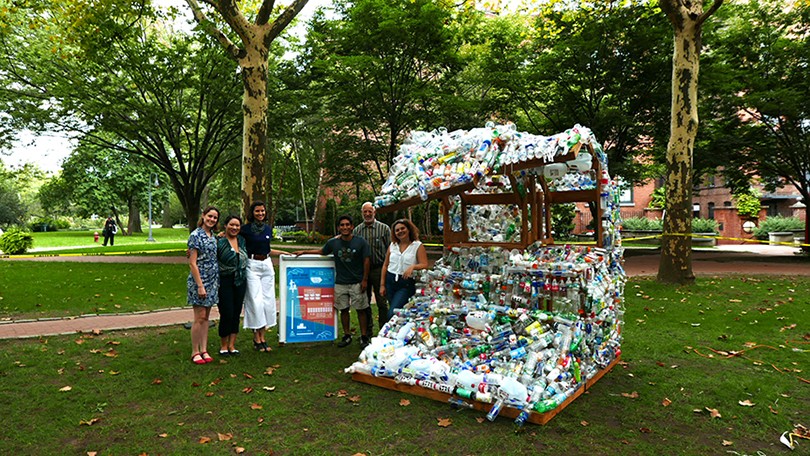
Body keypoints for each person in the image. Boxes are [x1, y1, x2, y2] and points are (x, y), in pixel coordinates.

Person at [294, 215, 371, 348]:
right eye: (342, 225)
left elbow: (367, 260)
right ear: (338, 228)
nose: (345, 227)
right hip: (341, 282)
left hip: (357, 282)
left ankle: (364, 336)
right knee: (343, 309)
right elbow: (322, 251)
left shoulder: (361, 242)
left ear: (352, 227)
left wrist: (364, 280)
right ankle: (347, 335)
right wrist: (304, 251)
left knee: (361, 309)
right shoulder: (334, 243)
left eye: (347, 224)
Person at [241, 201, 287, 353]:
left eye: (262, 211)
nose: (260, 213)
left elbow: (267, 248)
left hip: (266, 264)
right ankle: (256, 337)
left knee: (268, 300)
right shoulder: (245, 229)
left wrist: (285, 253)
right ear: (252, 212)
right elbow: (232, 235)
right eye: (257, 211)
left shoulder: (268, 229)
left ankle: (263, 336)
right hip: (252, 264)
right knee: (255, 300)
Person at [352, 202, 391, 336]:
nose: (367, 214)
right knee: (365, 302)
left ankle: (384, 332)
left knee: (382, 301)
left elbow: (390, 249)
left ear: (374, 212)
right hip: (363, 271)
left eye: (370, 211)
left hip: (379, 269)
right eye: (365, 212)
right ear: (362, 213)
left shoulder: (384, 229)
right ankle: (367, 332)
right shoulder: (357, 231)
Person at [187, 206, 220, 365]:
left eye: (215, 218)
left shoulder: (213, 236)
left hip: (213, 280)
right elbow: (193, 263)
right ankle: (195, 351)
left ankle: (204, 349)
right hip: (199, 280)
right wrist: (200, 285)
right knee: (199, 317)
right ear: (203, 216)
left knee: (207, 317)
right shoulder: (195, 235)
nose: (212, 220)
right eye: (210, 216)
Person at [381, 219, 428, 322]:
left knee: (392, 313)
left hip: (405, 284)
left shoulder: (417, 245)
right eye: (397, 230)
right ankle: (396, 334)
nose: (400, 231)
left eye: (403, 228)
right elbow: (385, 265)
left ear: (409, 229)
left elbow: (424, 264)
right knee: (399, 314)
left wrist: (413, 267)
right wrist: (382, 285)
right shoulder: (393, 245)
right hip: (390, 281)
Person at [216, 214, 248, 357]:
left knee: (236, 312)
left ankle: (232, 345)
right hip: (225, 281)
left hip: (240, 281)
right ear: (225, 225)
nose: (234, 228)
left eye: (237, 225)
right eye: (232, 225)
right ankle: (223, 345)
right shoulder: (219, 241)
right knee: (226, 312)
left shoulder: (242, 240)